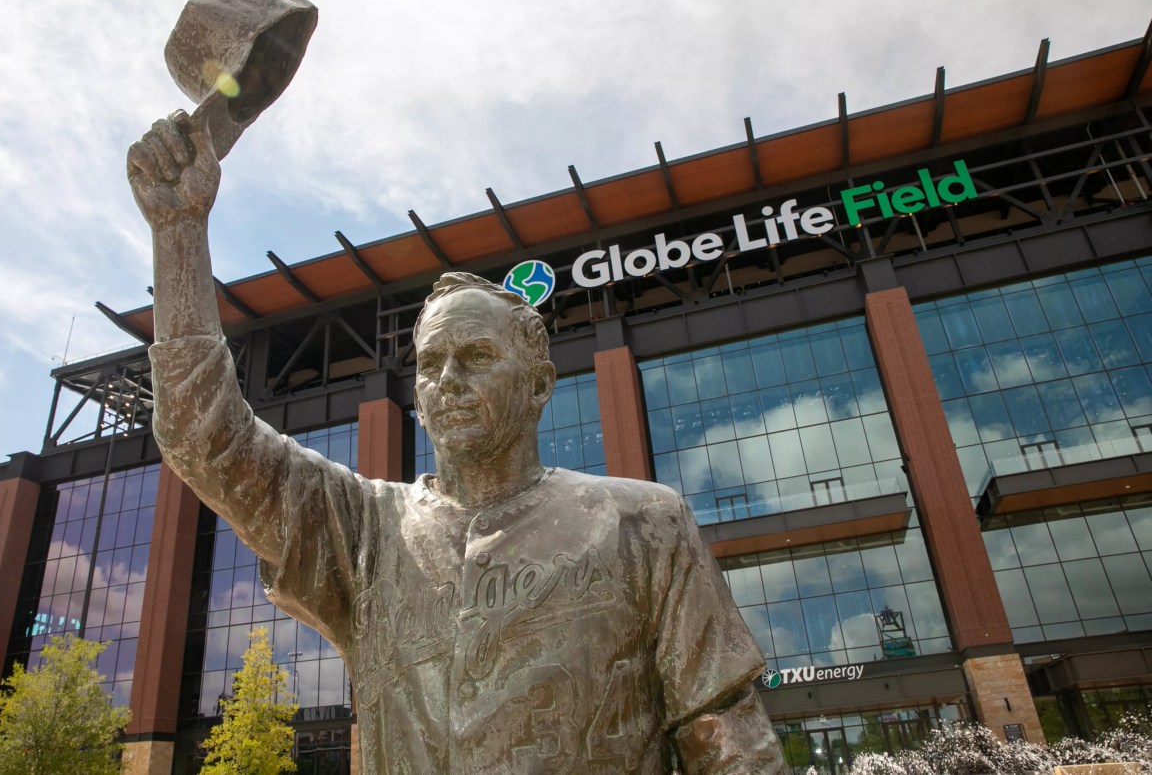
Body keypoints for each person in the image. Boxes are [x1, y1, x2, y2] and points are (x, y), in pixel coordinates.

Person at [128, 110, 789, 774]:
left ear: (538, 384)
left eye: (475, 356)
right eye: (430, 363)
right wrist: (180, 233)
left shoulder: (644, 522)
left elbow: (729, 742)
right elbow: (203, 436)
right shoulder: (364, 530)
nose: (447, 380)